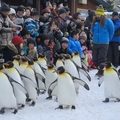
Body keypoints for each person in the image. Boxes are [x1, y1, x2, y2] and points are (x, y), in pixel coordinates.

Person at [92, 5, 114, 77]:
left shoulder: (108, 21)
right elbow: (92, 30)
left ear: (102, 14)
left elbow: (111, 31)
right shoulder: (94, 22)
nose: (97, 15)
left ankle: (101, 71)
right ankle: (99, 69)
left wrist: (108, 39)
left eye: (99, 14)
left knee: (101, 58)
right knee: (95, 58)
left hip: (104, 43)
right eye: (97, 14)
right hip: (95, 42)